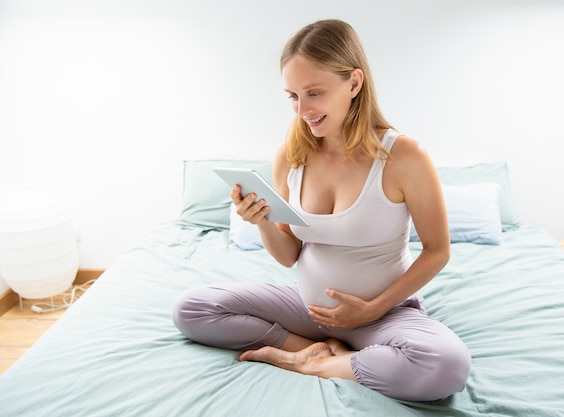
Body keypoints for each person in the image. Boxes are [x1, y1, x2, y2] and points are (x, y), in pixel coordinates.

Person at [172, 19, 471, 402]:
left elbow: (437, 251)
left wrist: (369, 311)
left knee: (445, 366)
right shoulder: (292, 156)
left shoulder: (404, 157)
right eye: (293, 96)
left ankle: (317, 363)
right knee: (193, 309)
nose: (302, 110)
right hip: (307, 309)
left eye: (314, 93)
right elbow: (288, 256)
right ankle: (307, 348)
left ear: (354, 83)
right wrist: (263, 222)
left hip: (383, 314)